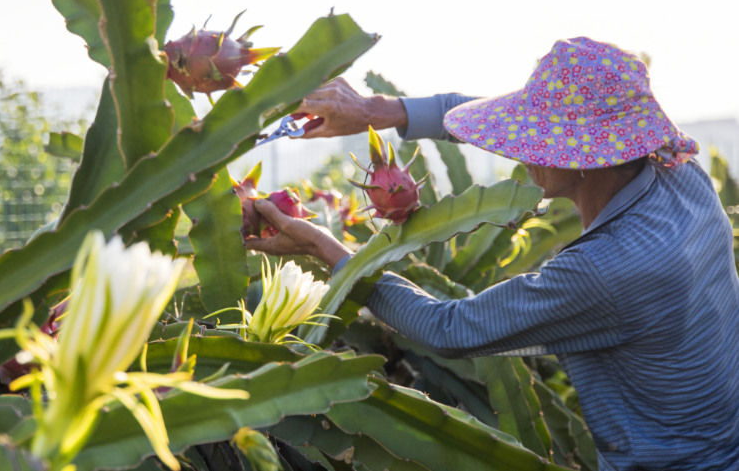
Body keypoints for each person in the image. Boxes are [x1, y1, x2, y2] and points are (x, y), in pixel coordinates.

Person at [245, 37, 739, 471]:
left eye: (539, 137)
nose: (520, 147)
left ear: (586, 159)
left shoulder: (610, 270)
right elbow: (489, 118)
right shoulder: (679, 174)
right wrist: (379, 110)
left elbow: (449, 328)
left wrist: (324, 246)